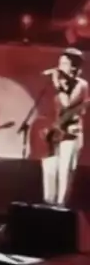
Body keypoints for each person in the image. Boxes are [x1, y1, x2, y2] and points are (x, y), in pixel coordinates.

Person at [41, 48, 88, 206]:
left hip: (71, 132)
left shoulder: (81, 85)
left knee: (64, 170)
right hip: (55, 132)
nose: (60, 66)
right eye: (59, 62)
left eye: (64, 63)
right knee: (49, 167)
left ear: (74, 67)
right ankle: (48, 202)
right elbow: (51, 108)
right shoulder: (57, 84)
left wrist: (58, 85)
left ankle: (61, 205)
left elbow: (67, 104)